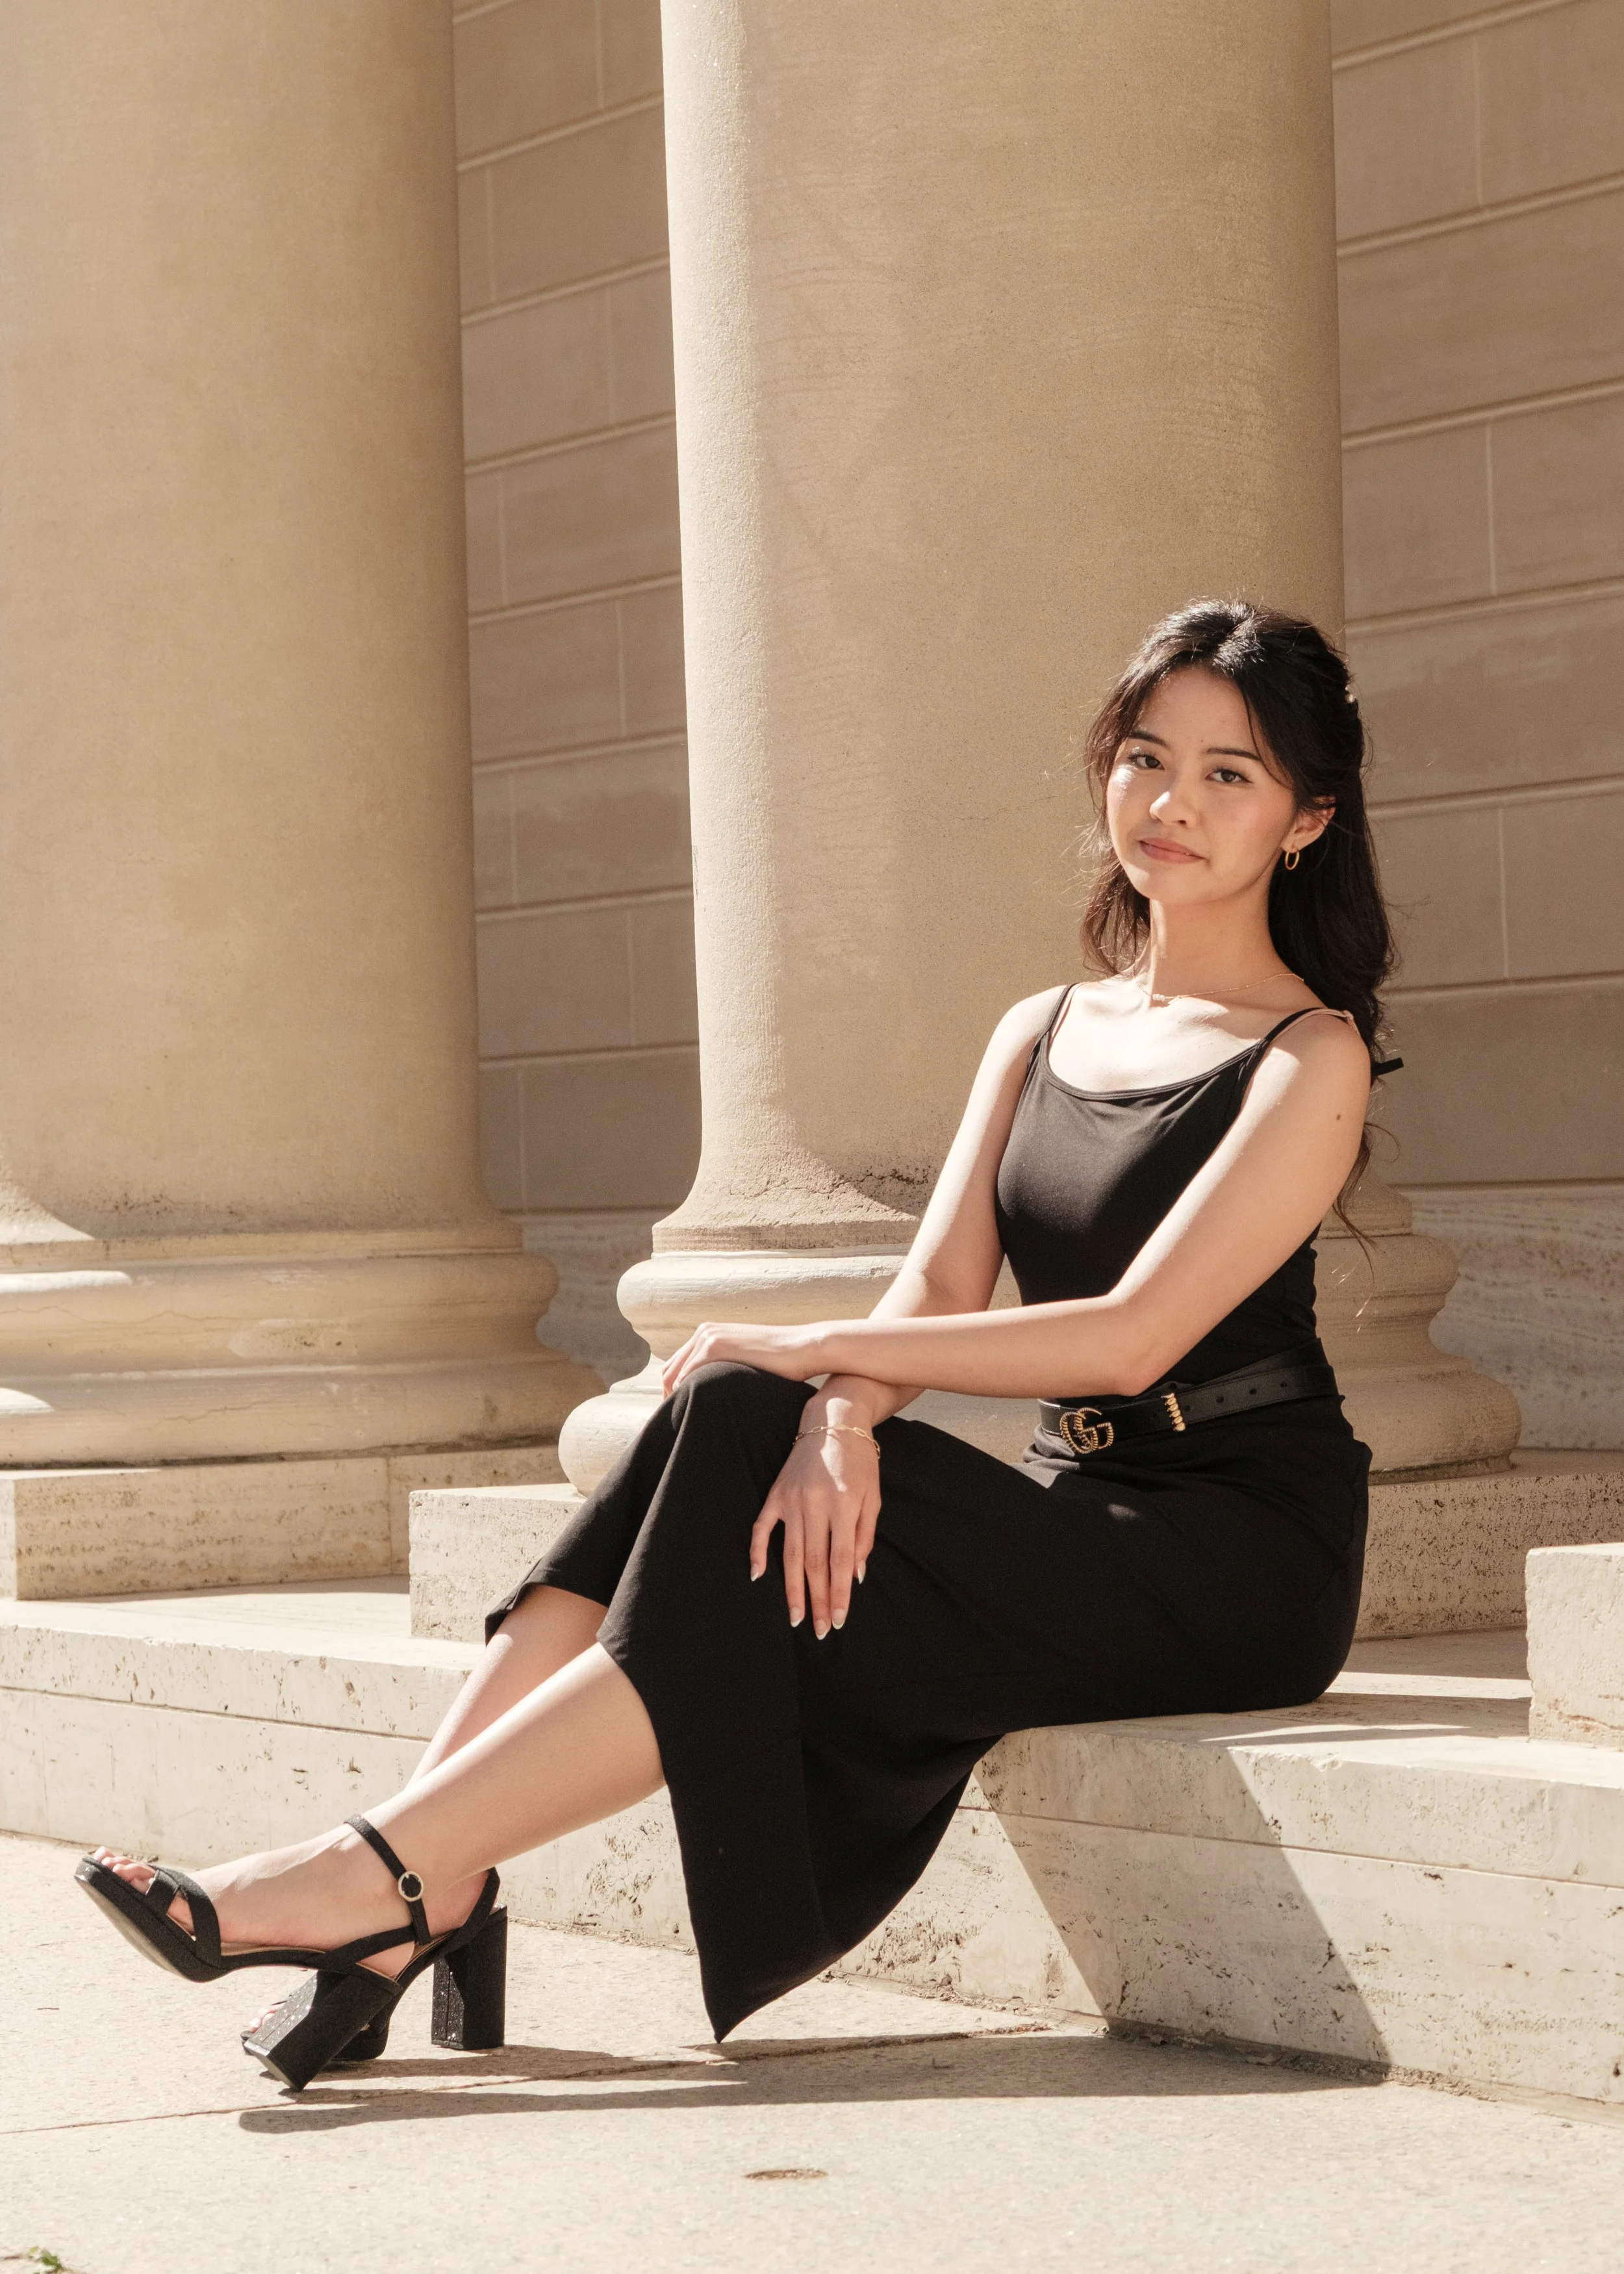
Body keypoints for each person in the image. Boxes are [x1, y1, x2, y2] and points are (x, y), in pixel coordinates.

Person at [78, 598, 1389, 2091]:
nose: (1169, 802)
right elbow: (935, 1287)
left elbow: (1131, 1335)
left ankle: (379, 1878)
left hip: (1235, 1549)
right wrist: (837, 1407)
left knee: (748, 1391)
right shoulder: (1041, 1028)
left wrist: (806, 1352)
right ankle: (416, 1874)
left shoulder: (1308, 1051)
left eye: (1227, 774)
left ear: (1304, 819)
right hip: (1074, 1502)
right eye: (1144, 757)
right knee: (729, 1410)